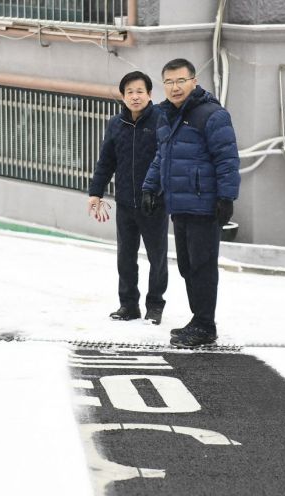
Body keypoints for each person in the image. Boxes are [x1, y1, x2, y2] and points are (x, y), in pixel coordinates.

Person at [142, 58, 240, 348]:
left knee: (202, 267)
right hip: (179, 204)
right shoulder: (167, 116)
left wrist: (226, 197)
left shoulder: (211, 115)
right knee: (186, 266)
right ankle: (198, 320)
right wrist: (150, 187)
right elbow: (162, 156)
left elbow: (227, 158)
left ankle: (206, 325)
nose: (174, 87)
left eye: (180, 81)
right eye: (169, 82)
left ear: (194, 82)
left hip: (204, 204)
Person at [87, 71, 168, 325]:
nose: (135, 97)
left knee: (157, 256)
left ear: (150, 94)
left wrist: (159, 192)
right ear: (123, 96)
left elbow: (167, 160)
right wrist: (95, 193)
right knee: (125, 257)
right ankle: (128, 305)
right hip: (125, 202)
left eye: (140, 91)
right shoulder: (116, 124)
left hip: (153, 202)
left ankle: (155, 305)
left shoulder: (161, 120)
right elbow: (106, 161)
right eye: (130, 92)